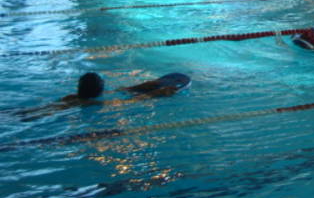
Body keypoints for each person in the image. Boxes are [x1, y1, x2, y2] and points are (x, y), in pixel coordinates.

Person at [16, 72, 190, 120]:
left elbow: (124, 91)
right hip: (45, 115)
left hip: (36, 110)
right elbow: (132, 101)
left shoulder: (72, 96)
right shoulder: (91, 104)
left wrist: (144, 85)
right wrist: (156, 94)